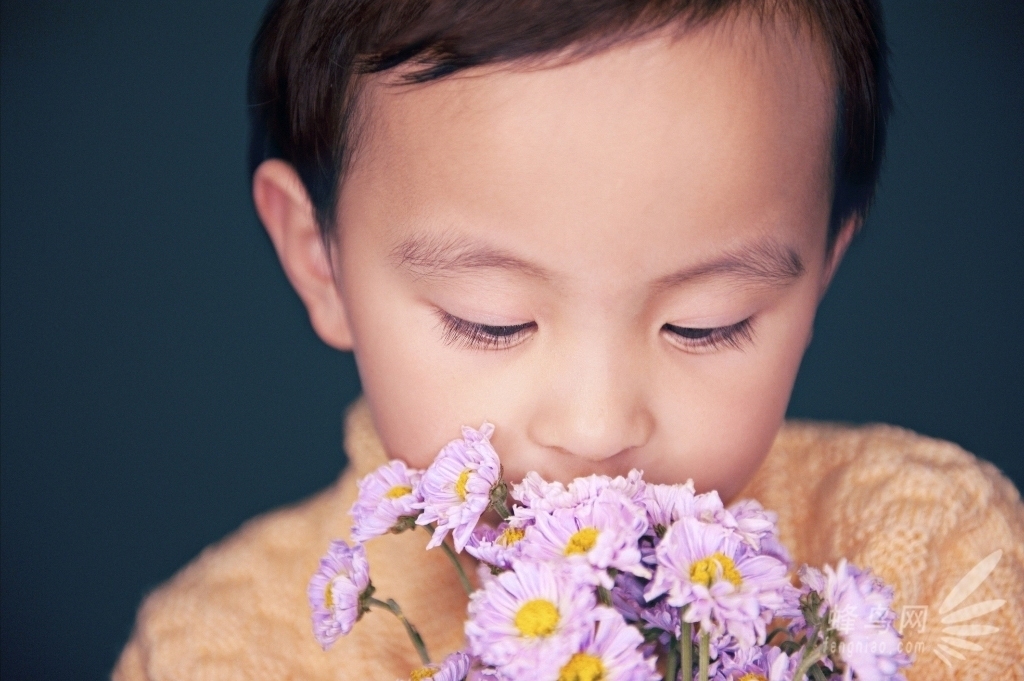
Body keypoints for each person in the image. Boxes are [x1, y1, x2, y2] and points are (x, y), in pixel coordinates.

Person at [113, 0, 1024, 678]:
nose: (596, 427)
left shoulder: (943, 561)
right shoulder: (213, 648)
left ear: (822, 269)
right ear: (322, 261)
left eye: (707, 323)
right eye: (490, 318)